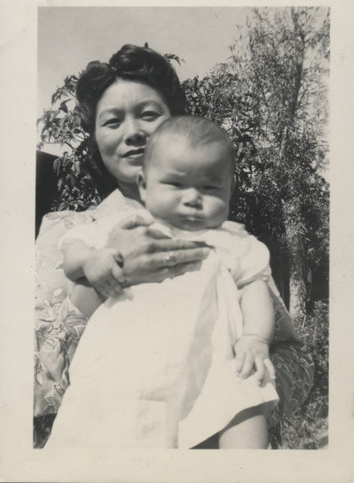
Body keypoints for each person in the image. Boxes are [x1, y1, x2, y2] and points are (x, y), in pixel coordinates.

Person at [34, 44, 314, 449]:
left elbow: (292, 356)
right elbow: (30, 377)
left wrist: (233, 393)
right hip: (106, 435)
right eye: (112, 121)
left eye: (149, 114)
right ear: (94, 137)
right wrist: (109, 272)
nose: (132, 132)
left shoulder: (223, 235)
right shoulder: (68, 229)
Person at [46, 116, 278, 449]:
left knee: (245, 393)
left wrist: (255, 338)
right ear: (144, 185)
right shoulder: (127, 226)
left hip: (211, 366)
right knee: (96, 427)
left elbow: (255, 285)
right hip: (122, 366)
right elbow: (73, 253)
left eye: (210, 188)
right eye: (175, 184)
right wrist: (93, 260)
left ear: (230, 190)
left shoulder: (233, 241)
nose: (193, 198)